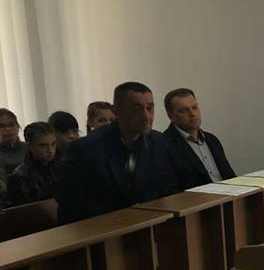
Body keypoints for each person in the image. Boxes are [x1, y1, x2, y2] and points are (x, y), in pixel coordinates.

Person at [55, 81, 181, 223]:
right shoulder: (87, 148)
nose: (146, 116)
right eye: (136, 109)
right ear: (116, 111)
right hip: (100, 226)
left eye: (150, 108)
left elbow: (168, 185)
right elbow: (69, 199)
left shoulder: (159, 142)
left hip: (147, 221)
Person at [163, 88, 236, 188]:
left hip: (228, 195)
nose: (192, 114)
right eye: (183, 110)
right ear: (170, 115)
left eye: (194, 107)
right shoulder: (164, 144)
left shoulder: (212, 140)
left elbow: (230, 177)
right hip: (196, 197)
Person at [7, 122, 58, 205]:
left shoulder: (61, 167)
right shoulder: (20, 176)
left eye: (53, 144)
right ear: (30, 146)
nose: (50, 150)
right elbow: (25, 209)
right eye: (43, 146)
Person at [0, 108, 27, 177]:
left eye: (11, 125)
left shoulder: (31, 148)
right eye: (1, 126)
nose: (8, 129)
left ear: (18, 127)